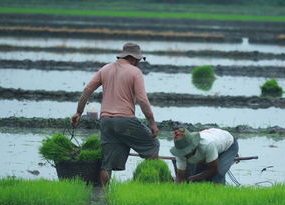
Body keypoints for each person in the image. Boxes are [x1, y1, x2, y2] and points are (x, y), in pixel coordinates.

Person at [71, 42, 159, 186]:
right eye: (138, 61)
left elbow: (87, 90)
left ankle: (104, 194)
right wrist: (152, 123)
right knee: (153, 144)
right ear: (134, 59)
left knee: (107, 163)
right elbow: (142, 100)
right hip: (125, 120)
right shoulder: (134, 72)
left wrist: (78, 112)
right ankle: (150, 184)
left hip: (105, 121)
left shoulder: (105, 69)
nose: (138, 64)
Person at [170, 128, 238, 184]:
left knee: (219, 174)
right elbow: (180, 176)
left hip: (228, 145)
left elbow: (214, 170)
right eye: (183, 152)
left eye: (186, 152)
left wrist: (193, 178)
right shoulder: (179, 151)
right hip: (209, 149)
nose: (184, 155)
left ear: (193, 147)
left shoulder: (206, 145)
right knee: (198, 173)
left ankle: (218, 195)